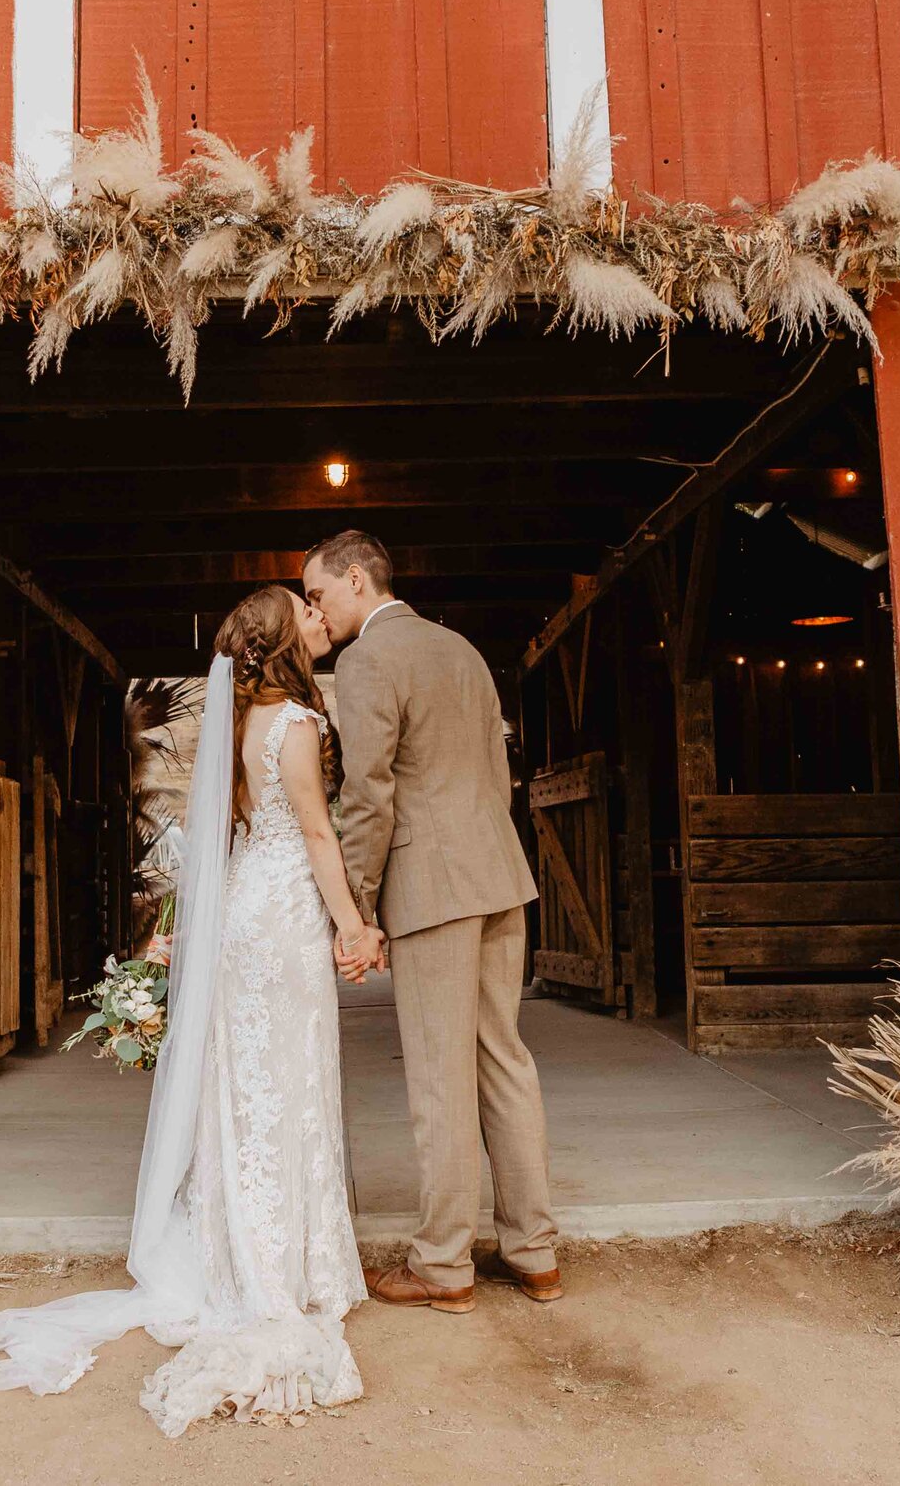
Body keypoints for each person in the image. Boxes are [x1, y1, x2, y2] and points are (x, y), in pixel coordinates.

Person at [0, 587, 376, 1435]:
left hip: (238, 916)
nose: (315, 615)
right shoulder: (297, 725)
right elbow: (313, 833)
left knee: (247, 1093)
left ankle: (237, 1253)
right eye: (302, 608)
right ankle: (285, 1275)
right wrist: (354, 925)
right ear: (280, 639)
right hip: (280, 917)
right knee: (289, 1088)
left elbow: (225, 836)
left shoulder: (228, 730)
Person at [301, 529, 562, 1315]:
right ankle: (534, 1251)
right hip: (497, 873)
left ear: (356, 577)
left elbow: (369, 793)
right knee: (504, 1059)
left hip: (432, 886)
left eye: (317, 593)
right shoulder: (463, 649)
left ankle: (445, 1263)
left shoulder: (369, 658)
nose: (315, 610)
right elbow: (498, 772)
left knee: (443, 1075)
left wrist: (358, 907)